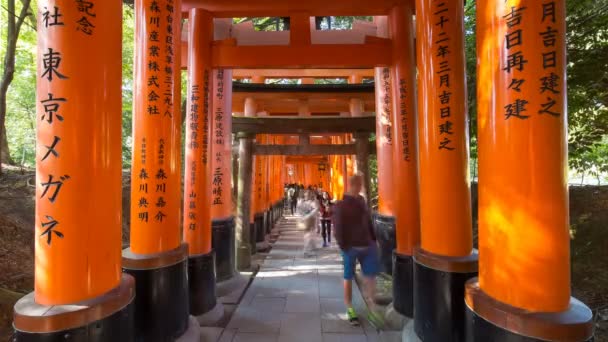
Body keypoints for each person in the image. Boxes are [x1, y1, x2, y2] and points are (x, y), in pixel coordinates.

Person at [332, 174, 383, 328]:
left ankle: (371, 305)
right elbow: (338, 228)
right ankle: (350, 307)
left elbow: (368, 221)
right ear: (353, 185)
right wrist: (344, 246)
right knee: (348, 276)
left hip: (367, 245)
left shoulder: (361, 201)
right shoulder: (341, 205)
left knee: (370, 276)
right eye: (359, 184)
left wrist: (374, 240)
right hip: (351, 247)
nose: (360, 187)